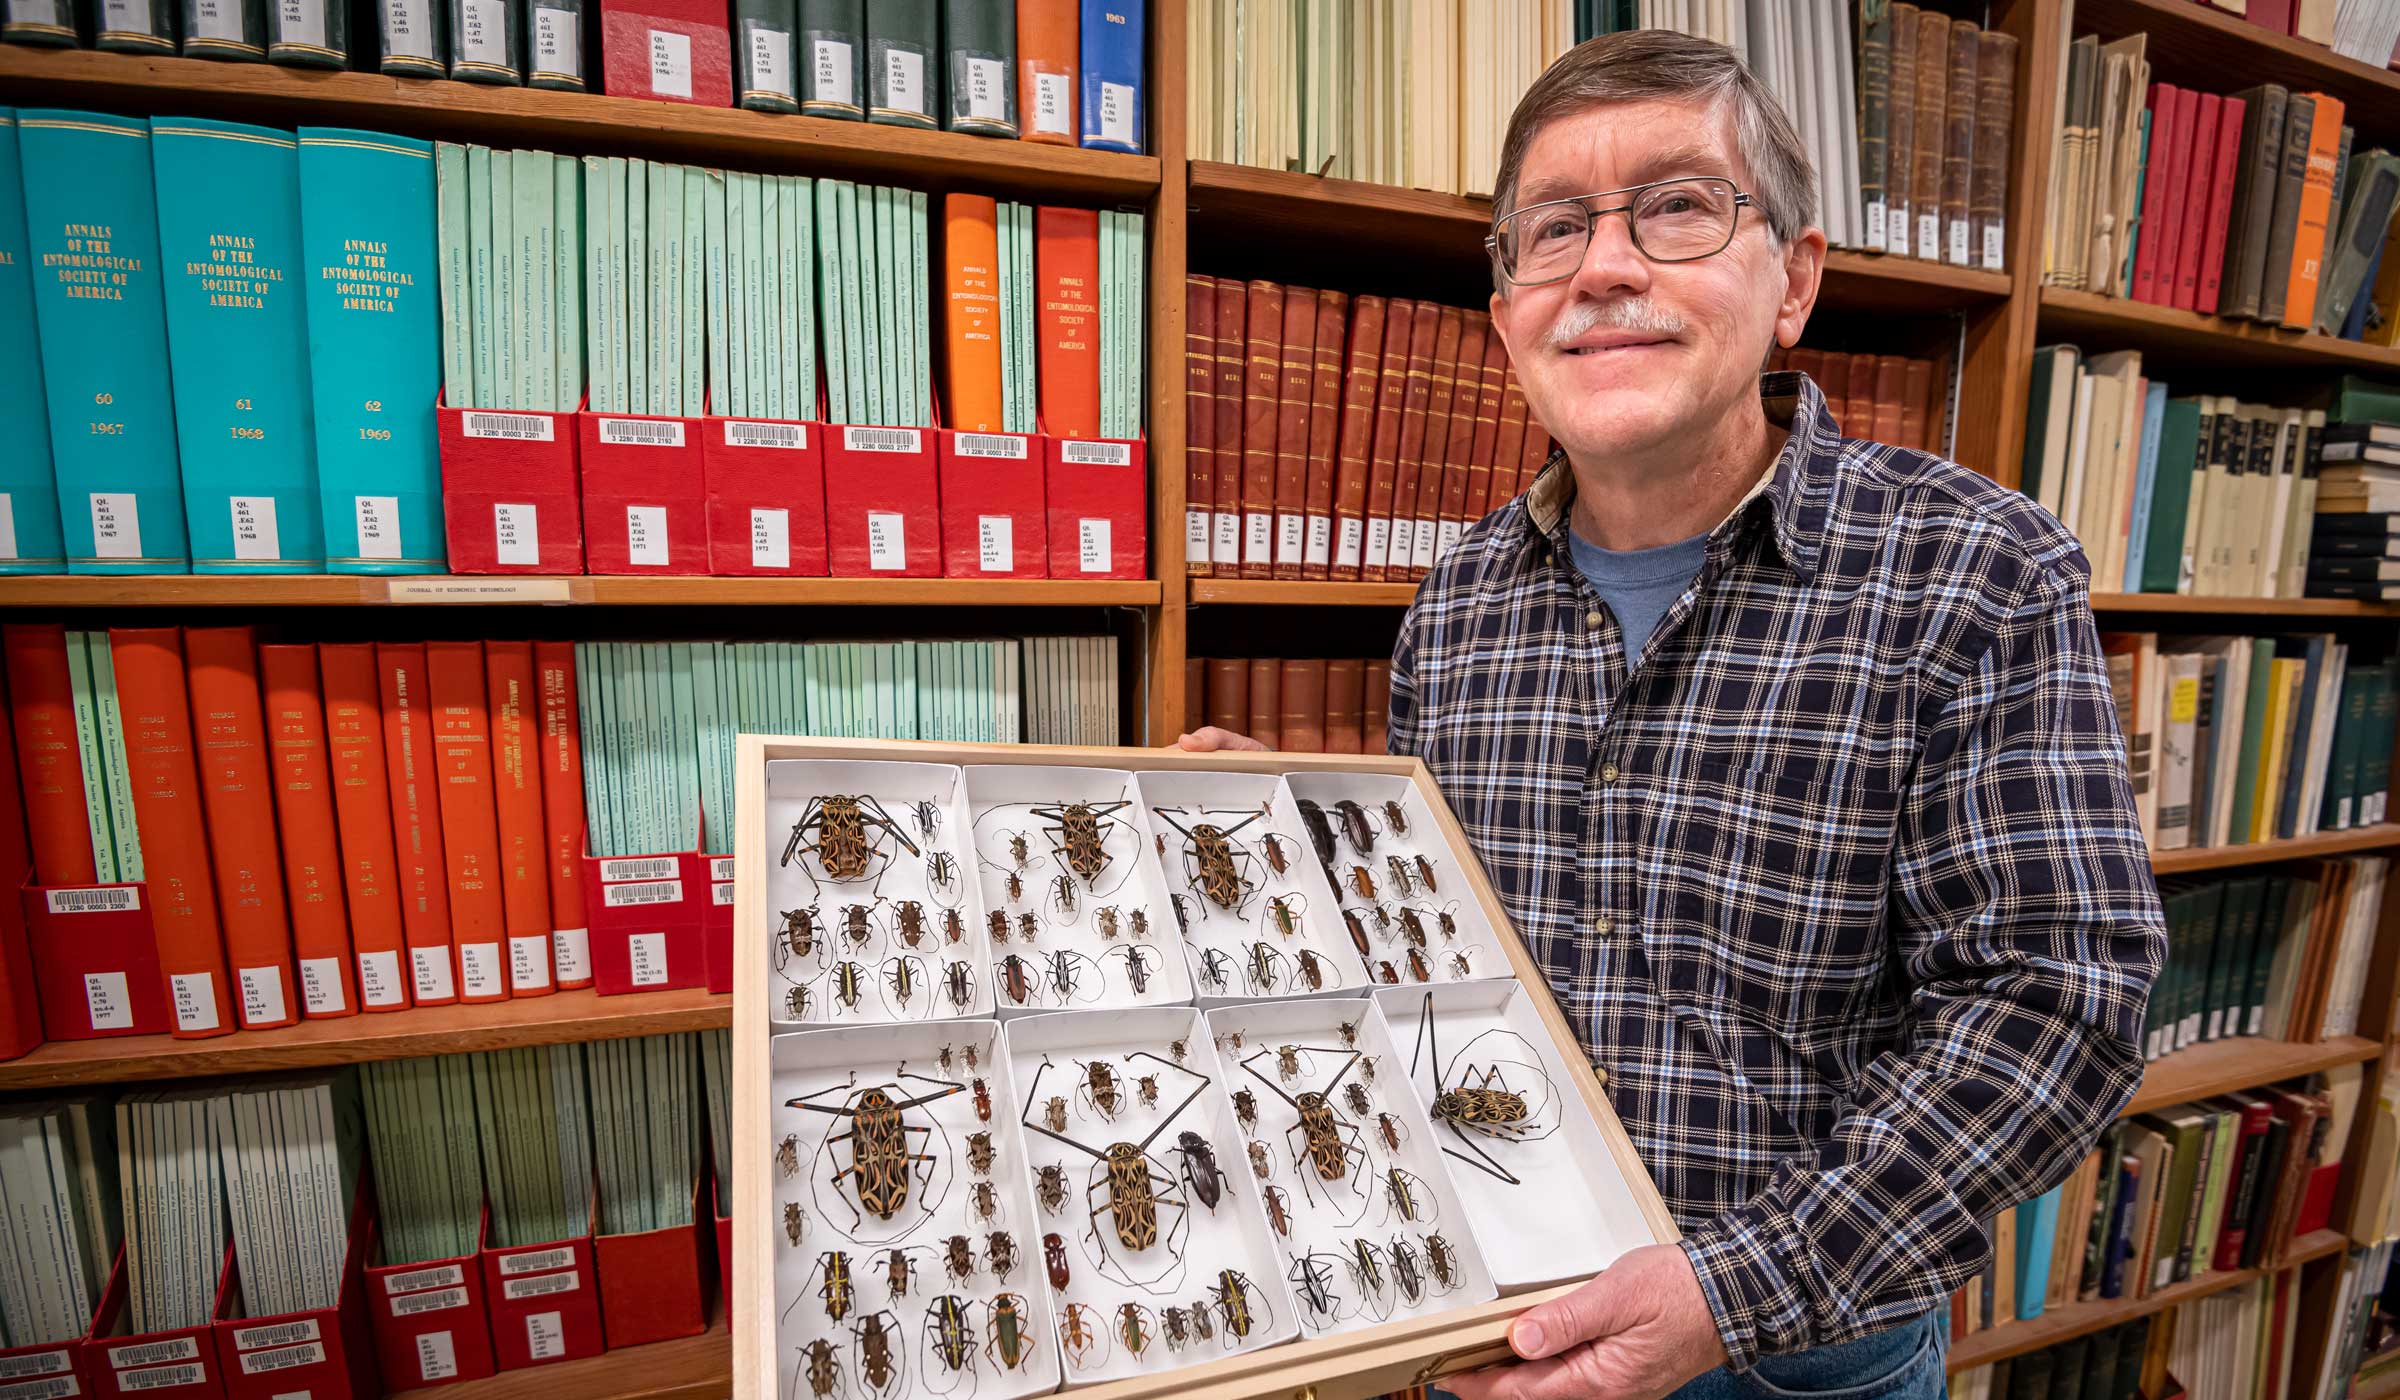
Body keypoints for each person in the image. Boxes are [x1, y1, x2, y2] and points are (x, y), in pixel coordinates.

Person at [1177, 29, 2166, 1400]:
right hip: (1481, 1311)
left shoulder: (1977, 572)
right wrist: (1312, 849)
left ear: (1794, 284)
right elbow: (1465, 950)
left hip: (1793, 1356)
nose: (1604, 267)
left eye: (1680, 208)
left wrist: (1729, 1291)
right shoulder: (1458, 598)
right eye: (1553, 230)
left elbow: (2055, 1007)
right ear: (1510, 305)